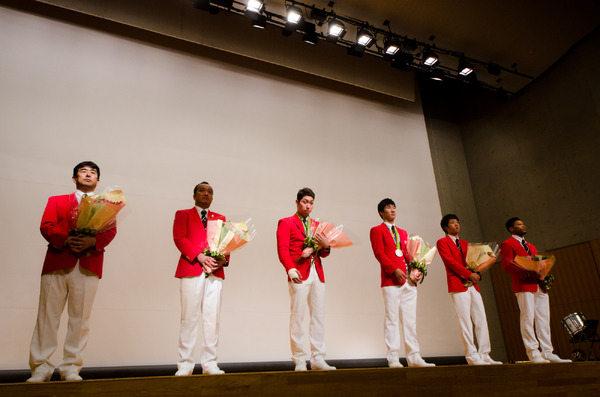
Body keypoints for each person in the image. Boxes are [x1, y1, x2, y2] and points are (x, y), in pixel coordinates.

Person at [27, 161, 117, 382]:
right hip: (57, 261)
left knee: (81, 319)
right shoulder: (56, 201)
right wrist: (66, 239)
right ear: (74, 178)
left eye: (93, 172)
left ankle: (71, 367)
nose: (88, 175)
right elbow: (46, 226)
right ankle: (41, 366)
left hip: (88, 264)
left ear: (98, 180)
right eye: (83, 172)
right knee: (47, 316)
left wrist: (91, 240)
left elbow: (111, 231)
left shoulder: (106, 205)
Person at [369, 198, 435, 368]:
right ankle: (393, 358)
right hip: (391, 280)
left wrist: (416, 269)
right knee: (391, 318)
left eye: (394, 207)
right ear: (381, 213)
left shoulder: (403, 232)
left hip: (409, 280)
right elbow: (379, 253)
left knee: (410, 320)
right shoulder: (376, 230)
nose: (392, 210)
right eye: (388, 208)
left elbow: (408, 254)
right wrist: (393, 269)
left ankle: (414, 357)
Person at [276, 187, 336, 371]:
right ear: (297, 202)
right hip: (298, 273)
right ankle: (300, 359)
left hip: (317, 273)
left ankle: (318, 358)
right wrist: (290, 269)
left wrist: (325, 246)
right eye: (305, 202)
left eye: (311, 203)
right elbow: (282, 249)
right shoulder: (286, 222)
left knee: (318, 316)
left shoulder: (317, 225)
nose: (308, 206)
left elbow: (324, 253)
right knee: (298, 316)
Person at [173, 182, 229, 376]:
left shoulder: (220, 218)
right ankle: (185, 363)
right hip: (191, 268)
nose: (206, 194)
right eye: (202, 190)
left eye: (210, 192)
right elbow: (180, 238)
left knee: (212, 319)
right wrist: (199, 256)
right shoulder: (183, 214)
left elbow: (226, 244)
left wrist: (222, 260)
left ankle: (210, 362)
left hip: (214, 271)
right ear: (194, 194)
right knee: (189, 317)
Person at [500, 217, 570, 363]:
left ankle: (547, 352)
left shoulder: (530, 246)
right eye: (519, 224)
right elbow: (507, 265)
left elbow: (535, 264)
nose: (523, 226)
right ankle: (533, 352)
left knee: (544, 318)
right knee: (527, 317)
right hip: (524, 284)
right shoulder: (507, 244)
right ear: (511, 229)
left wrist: (543, 273)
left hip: (538, 285)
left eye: (523, 223)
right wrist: (527, 273)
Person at [436, 214, 502, 366]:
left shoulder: (466, 243)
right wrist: (468, 274)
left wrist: (477, 273)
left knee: (481, 318)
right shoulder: (442, 242)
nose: (457, 225)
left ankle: (484, 353)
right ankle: (471, 355)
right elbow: (450, 262)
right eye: (453, 223)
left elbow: (475, 262)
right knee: (465, 320)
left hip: (473, 285)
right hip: (458, 284)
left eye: (458, 222)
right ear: (446, 227)